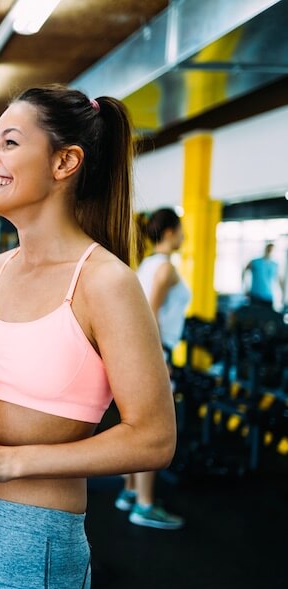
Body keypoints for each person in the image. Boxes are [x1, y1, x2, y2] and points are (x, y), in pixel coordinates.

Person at [0, 86, 177, 589]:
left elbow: (154, 439)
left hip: (31, 537)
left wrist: (5, 462)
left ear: (64, 162)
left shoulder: (105, 283)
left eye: (8, 142)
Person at [115, 208, 189, 529]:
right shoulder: (165, 269)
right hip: (153, 353)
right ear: (171, 232)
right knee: (150, 431)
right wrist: (160, 361)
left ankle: (130, 492)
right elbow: (151, 315)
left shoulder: (146, 265)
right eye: (182, 229)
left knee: (135, 425)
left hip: (137, 353)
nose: (185, 235)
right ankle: (144, 505)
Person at [244, 242, 282, 309]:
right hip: (255, 295)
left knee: (267, 317)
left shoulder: (274, 265)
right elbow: (244, 272)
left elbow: (279, 280)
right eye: (268, 249)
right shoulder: (255, 262)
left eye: (271, 250)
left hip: (268, 296)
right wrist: (245, 288)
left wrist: (282, 295)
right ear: (265, 249)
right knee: (254, 317)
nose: (270, 251)